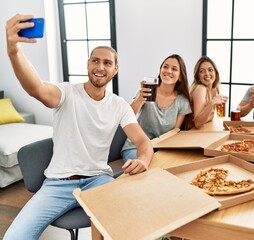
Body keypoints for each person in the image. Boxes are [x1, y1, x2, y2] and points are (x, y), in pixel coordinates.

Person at [4, 14, 153, 240]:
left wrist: (142, 159)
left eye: (107, 62)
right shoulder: (66, 93)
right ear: (88, 64)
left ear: (115, 69)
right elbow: (36, 87)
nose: (100, 66)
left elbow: (143, 142)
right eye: (95, 60)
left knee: (131, 224)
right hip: (57, 184)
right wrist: (14, 51)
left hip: (99, 180)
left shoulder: (119, 105)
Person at [121, 54, 192, 161]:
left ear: (180, 76)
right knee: (143, 169)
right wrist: (140, 98)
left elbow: (175, 131)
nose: (168, 71)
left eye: (174, 69)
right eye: (165, 67)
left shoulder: (182, 101)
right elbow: (127, 116)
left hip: (161, 149)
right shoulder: (147, 91)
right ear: (160, 71)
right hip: (136, 147)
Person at [185, 56, 228, 129]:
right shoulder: (200, 89)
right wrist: (212, 103)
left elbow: (209, 118)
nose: (207, 74)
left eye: (210, 70)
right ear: (198, 76)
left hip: (201, 131)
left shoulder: (214, 89)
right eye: (202, 71)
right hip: (189, 133)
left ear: (215, 73)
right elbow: (198, 124)